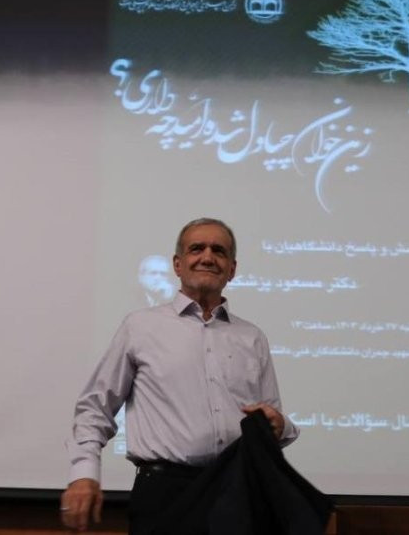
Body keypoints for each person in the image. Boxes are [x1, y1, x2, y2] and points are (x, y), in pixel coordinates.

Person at [62, 218, 298, 533]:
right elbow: (95, 408)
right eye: (196, 249)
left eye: (219, 251)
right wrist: (84, 474)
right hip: (165, 495)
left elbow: (271, 421)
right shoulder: (140, 327)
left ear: (232, 269)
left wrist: (281, 426)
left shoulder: (252, 337)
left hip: (238, 495)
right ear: (177, 264)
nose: (208, 257)